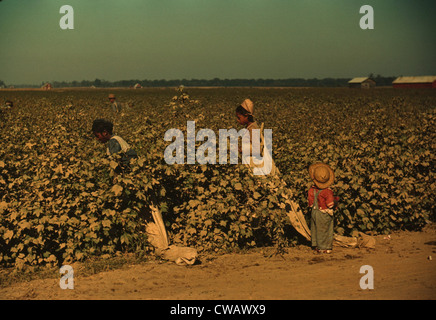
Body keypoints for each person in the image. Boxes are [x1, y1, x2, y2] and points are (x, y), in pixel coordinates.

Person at [236, 99, 280, 176]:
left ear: (246, 116)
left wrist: (241, 150)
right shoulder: (251, 127)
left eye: (239, 118)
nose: (238, 120)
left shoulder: (253, 129)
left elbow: (257, 150)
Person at [308, 162, 339, 254]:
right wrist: (336, 201)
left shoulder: (312, 189)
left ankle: (316, 245)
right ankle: (324, 248)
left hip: (314, 211)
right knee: (325, 230)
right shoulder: (327, 192)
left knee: (315, 229)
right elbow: (330, 204)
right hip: (324, 213)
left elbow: (310, 203)